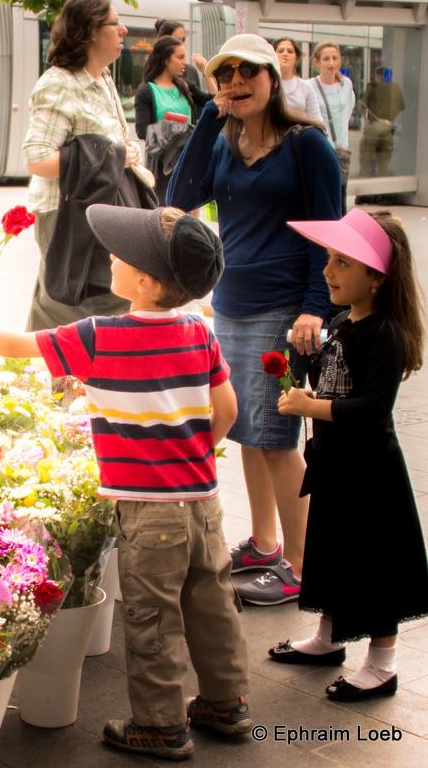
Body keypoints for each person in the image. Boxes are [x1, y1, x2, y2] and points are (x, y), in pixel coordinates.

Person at [0, 204, 250, 761]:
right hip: (203, 502)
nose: (108, 253)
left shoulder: (102, 335)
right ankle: (226, 703)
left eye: (121, 254)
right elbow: (226, 408)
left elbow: (16, 345)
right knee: (211, 601)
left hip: (149, 513)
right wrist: (193, 453)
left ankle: (160, 725)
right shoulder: (199, 330)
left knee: (152, 618)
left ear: (147, 283)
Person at [167, 34, 340, 606]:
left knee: (276, 436)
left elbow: (327, 231)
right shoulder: (223, 141)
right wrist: (208, 123)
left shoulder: (305, 144)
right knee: (246, 429)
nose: (236, 84)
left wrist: (317, 305)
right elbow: (181, 196)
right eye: (225, 76)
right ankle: (266, 543)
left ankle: (300, 564)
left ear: (273, 77)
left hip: (285, 308)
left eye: (248, 73)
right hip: (232, 302)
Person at [268, 209, 428, 702]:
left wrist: (310, 405)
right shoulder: (341, 322)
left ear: (376, 277)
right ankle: (327, 637)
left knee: (373, 564)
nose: (327, 272)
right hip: (335, 465)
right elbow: (326, 372)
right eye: (329, 260)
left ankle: (382, 664)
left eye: (342, 263)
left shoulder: (386, 335)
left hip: (370, 473)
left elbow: (373, 407)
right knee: (332, 552)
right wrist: (299, 355)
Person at [22, 0, 145, 330]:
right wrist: (112, 156)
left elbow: (107, 145)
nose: (124, 31)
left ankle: (87, 378)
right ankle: (63, 380)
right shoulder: (59, 84)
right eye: (115, 23)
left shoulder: (103, 78)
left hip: (101, 209)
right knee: (70, 302)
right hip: (67, 214)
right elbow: (37, 158)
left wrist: (125, 151)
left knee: (102, 300)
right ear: (91, 30)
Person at [133, 36, 212, 201]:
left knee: (184, 212)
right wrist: (171, 128)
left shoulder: (186, 86)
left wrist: (207, 72)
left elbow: (213, 102)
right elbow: (141, 131)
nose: (185, 62)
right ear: (165, 59)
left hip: (187, 161)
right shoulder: (146, 90)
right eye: (180, 57)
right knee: (164, 212)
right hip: (162, 167)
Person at [310, 41, 354, 210]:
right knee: (324, 196)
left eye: (335, 58)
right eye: (326, 59)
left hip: (341, 150)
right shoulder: (310, 86)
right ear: (317, 62)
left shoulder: (346, 84)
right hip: (321, 147)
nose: (331, 63)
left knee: (341, 198)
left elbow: (348, 110)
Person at [359, 67, 404, 178]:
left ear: (379, 75)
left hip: (373, 128)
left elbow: (362, 105)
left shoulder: (373, 87)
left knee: (367, 163)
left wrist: (370, 119)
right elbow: (400, 107)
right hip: (388, 128)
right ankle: (382, 191)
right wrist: (389, 120)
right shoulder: (396, 88)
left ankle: (366, 191)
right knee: (384, 164)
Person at [272, 38, 321, 124]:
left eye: (290, 51)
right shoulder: (266, 84)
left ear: (296, 58)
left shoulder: (306, 87)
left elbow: (316, 120)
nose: (285, 54)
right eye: (280, 51)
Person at [153, 18, 210, 93]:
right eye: (178, 40)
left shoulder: (190, 71)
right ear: (164, 42)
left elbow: (210, 101)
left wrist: (207, 72)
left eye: (184, 39)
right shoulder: (153, 76)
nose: (182, 45)